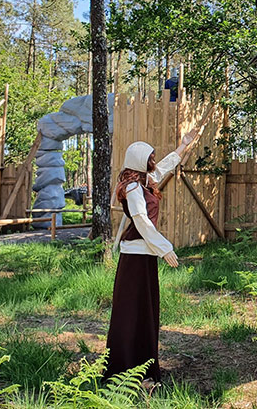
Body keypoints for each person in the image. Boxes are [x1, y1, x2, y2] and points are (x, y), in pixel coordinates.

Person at [103, 131, 195, 384]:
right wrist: (164, 248)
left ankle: (141, 368)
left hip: (143, 257)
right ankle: (123, 370)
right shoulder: (133, 188)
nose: (153, 161)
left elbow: (165, 167)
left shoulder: (144, 181)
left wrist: (183, 146)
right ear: (139, 160)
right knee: (131, 313)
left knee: (144, 312)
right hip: (135, 258)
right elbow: (142, 222)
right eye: (150, 158)